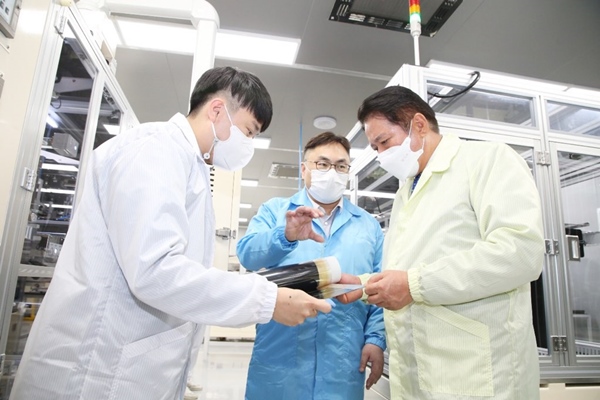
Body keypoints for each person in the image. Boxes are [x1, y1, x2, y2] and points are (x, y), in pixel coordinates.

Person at [9, 66, 331, 400]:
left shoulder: (188, 164)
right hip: (95, 369)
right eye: (248, 132)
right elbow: (155, 269)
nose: (248, 145)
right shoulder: (153, 151)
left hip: (125, 366)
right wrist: (266, 300)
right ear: (217, 110)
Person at [339, 86, 544, 399]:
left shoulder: (487, 160)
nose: (381, 156)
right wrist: (364, 285)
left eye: (384, 142)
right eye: (375, 148)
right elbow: (409, 267)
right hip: (421, 368)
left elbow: (520, 252)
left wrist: (414, 285)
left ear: (419, 125)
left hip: (479, 370)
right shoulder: (406, 191)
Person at [237, 131, 386, 400]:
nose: (332, 172)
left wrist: (375, 339)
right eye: (323, 164)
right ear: (304, 169)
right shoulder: (276, 211)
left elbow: (378, 286)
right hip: (280, 357)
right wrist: (285, 235)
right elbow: (247, 255)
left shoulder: (367, 226)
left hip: (342, 361)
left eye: (341, 166)